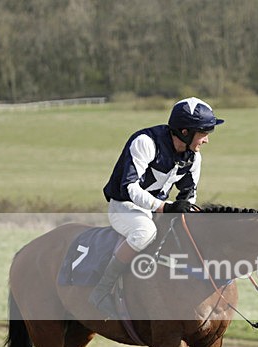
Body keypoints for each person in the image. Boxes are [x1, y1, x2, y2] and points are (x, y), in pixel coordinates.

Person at [89, 97, 224, 317]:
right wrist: (165, 208)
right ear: (185, 132)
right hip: (124, 206)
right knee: (145, 232)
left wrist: (187, 213)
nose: (206, 140)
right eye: (203, 133)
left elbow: (188, 194)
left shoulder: (193, 157)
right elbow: (130, 187)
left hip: (157, 209)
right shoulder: (145, 142)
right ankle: (102, 290)